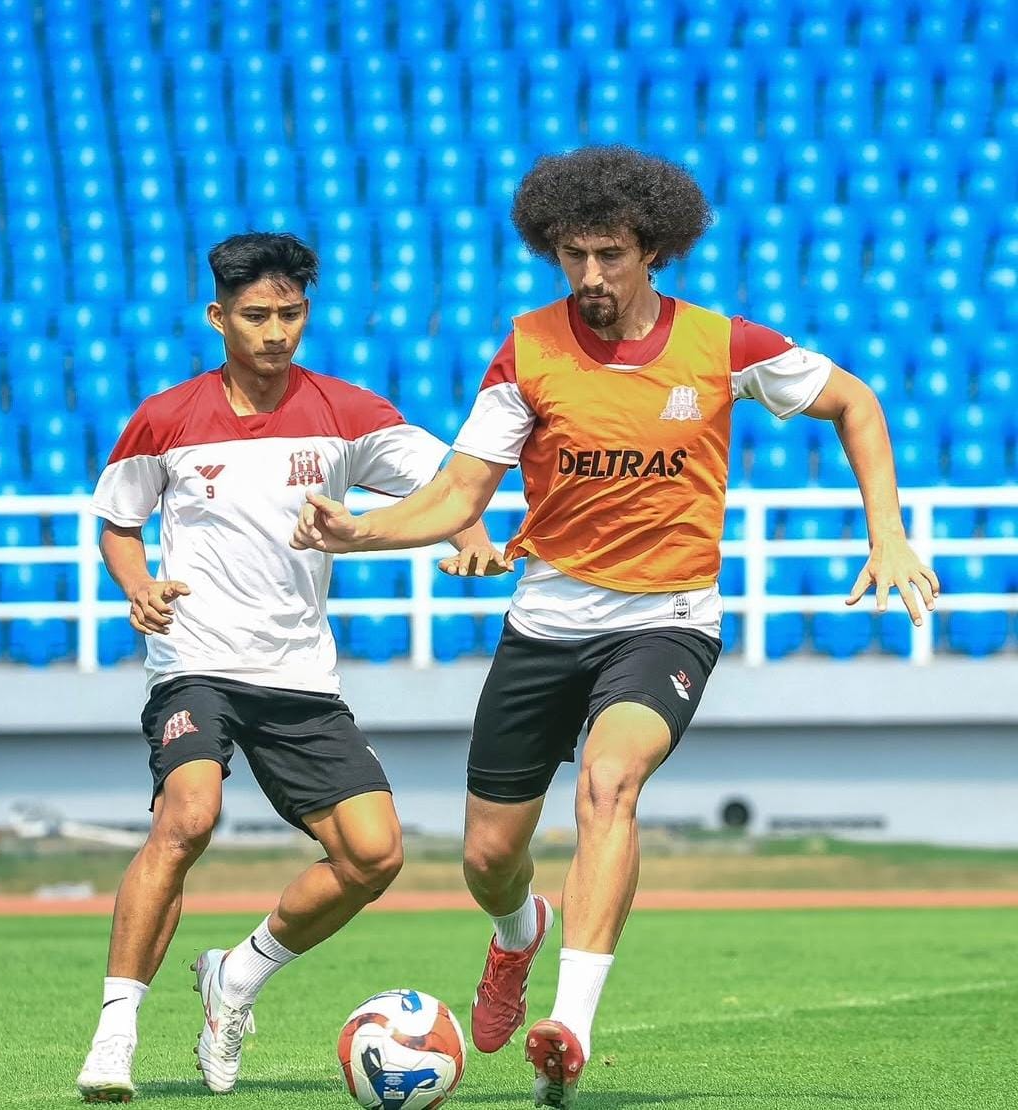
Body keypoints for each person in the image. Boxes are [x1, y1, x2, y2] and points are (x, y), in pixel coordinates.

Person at [290, 146, 940, 1108]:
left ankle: (573, 1025)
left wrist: (887, 532)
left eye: (609, 254)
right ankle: (517, 935)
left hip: (669, 619)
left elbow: (855, 402)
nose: (589, 276)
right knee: (485, 859)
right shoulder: (528, 349)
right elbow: (461, 491)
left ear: (653, 250)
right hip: (547, 619)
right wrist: (361, 531)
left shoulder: (724, 346)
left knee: (608, 782)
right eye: (571, 255)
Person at [75, 231, 503, 1102]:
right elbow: (118, 522)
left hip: (300, 676)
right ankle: (115, 1033)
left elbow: (452, 481)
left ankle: (234, 978)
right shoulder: (165, 418)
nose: (277, 331)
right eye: (257, 315)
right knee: (188, 819)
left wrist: (469, 536)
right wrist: (139, 586)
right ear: (218, 317)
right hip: (195, 662)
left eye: (292, 313)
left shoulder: (347, 411)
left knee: (374, 857)